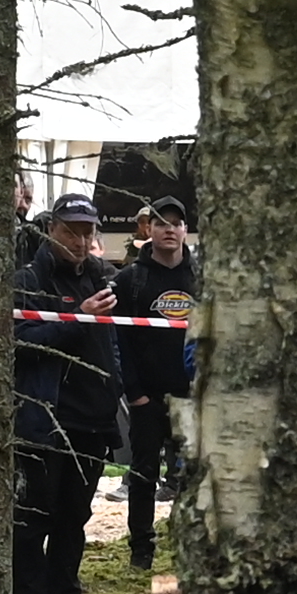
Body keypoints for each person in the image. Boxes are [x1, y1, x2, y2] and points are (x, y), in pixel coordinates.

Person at [14, 190, 123, 594]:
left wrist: (116, 387)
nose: (79, 241)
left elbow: (113, 344)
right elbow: (19, 342)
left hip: (94, 420)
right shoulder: (30, 280)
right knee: (34, 514)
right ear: (51, 230)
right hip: (48, 418)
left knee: (75, 516)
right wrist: (79, 319)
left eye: (86, 232)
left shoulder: (101, 278)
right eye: (70, 232)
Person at [112, 198, 199, 563]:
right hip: (146, 397)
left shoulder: (202, 278)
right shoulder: (130, 280)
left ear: (185, 230)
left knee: (193, 477)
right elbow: (118, 339)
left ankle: (190, 550)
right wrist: (134, 393)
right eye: (162, 223)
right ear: (149, 229)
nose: (169, 230)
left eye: (176, 224)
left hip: (191, 398)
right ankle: (141, 551)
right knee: (143, 476)